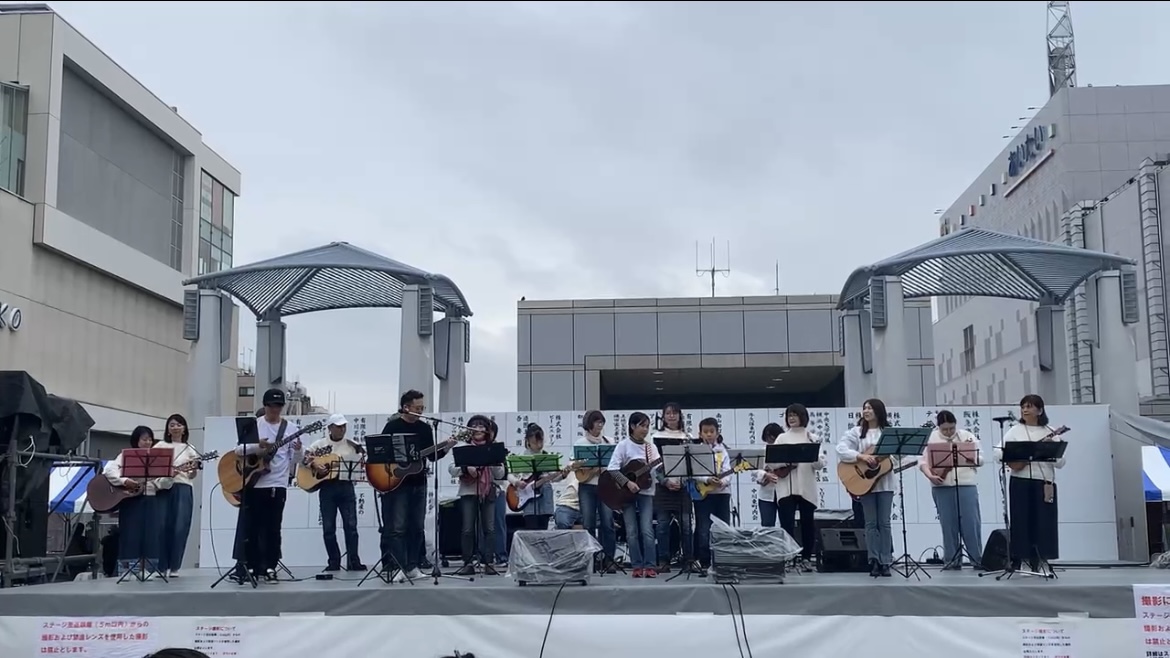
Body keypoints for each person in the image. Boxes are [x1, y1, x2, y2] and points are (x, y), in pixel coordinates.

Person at [231, 388, 302, 584]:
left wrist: (298, 450)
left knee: (273, 528)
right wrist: (258, 446)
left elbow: (296, 460)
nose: (275, 410)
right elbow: (238, 450)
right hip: (254, 483)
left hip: (277, 483)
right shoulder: (255, 425)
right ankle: (252, 567)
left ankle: (270, 567)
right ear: (265, 406)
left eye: (278, 406)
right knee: (252, 528)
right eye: (271, 406)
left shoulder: (290, 428)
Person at [378, 389, 449, 583]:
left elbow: (431, 456)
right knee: (398, 527)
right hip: (397, 483)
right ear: (406, 407)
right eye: (418, 408)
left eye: (422, 408)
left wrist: (446, 447)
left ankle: (412, 566)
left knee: (417, 527)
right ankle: (397, 567)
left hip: (419, 482)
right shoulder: (392, 426)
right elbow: (380, 453)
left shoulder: (425, 428)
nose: (421, 411)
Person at [996, 393, 1065, 571]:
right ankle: (1024, 560)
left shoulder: (1050, 431)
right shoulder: (1015, 430)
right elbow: (998, 452)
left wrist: (1049, 450)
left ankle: (1042, 560)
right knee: (1021, 521)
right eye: (1023, 407)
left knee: (1045, 522)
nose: (1025, 410)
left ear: (1040, 410)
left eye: (1029, 406)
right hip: (1021, 481)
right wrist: (1018, 455)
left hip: (1044, 482)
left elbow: (1060, 462)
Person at [919, 409, 984, 570]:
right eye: (945, 429)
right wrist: (930, 476)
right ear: (938, 427)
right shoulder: (931, 438)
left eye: (951, 428)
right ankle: (951, 559)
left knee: (971, 523)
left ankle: (977, 558)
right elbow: (923, 462)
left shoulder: (966, 436)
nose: (948, 432)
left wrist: (971, 456)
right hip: (942, 486)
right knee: (948, 524)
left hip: (966, 484)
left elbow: (981, 459)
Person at [763, 404, 825, 573]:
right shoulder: (782, 438)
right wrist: (788, 461)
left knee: (807, 523)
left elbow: (820, 464)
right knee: (787, 523)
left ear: (803, 417)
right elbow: (770, 462)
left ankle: (806, 558)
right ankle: (789, 557)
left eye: (795, 415)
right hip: (786, 487)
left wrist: (811, 452)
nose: (791, 418)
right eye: (789, 415)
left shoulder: (811, 437)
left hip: (806, 486)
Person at [836, 398, 894, 578]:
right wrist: (861, 457)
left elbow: (897, 457)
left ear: (878, 411)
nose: (866, 411)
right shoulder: (856, 432)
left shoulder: (888, 432)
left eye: (870, 408)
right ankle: (874, 560)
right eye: (865, 408)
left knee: (884, 523)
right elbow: (840, 449)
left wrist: (889, 458)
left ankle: (886, 560)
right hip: (866, 485)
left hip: (885, 484)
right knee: (870, 523)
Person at [305, 414, 366, 572]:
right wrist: (314, 465)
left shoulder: (352, 445)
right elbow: (305, 458)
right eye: (338, 427)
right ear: (330, 428)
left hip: (346, 487)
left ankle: (353, 561)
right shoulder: (320, 444)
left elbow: (361, 461)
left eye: (344, 426)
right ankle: (333, 561)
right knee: (328, 527)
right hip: (327, 488)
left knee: (351, 526)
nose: (342, 429)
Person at [449, 414, 506, 576]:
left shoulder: (492, 447)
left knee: (490, 528)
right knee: (468, 529)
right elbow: (452, 469)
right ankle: (467, 563)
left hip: (488, 492)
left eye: (481, 426)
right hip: (468, 491)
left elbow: (500, 473)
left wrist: (493, 461)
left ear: (487, 430)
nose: (478, 429)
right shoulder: (464, 447)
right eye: (474, 426)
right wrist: (466, 468)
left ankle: (489, 563)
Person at [102, 426, 162, 579]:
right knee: (130, 532)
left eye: (150, 439)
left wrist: (161, 480)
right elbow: (109, 471)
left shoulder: (157, 458)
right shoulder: (125, 455)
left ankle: (146, 568)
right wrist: (125, 481)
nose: (147, 442)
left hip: (150, 497)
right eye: (144, 439)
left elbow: (164, 480)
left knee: (149, 533)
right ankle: (127, 569)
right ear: (136, 440)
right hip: (130, 499)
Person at [606, 411, 658, 578]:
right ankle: (636, 565)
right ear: (632, 426)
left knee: (647, 529)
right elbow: (612, 469)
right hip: (626, 494)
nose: (645, 430)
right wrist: (628, 482)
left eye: (647, 426)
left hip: (646, 492)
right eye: (642, 426)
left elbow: (658, 467)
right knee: (631, 530)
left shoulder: (651, 447)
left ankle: (650, 565)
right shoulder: (623, 445)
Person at [651, 402, 694, 573]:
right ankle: (663, 560)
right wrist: (665, 481)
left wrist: (683, 481)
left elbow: (692, 463)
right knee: (662, 526)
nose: (671, 416)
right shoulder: (656, 436)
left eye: (674, 413)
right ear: (663, 416)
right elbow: (653, 464)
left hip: (683, 487)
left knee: (686, 525)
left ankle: (688, 560)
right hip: (663, 488)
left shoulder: (687, 436)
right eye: (668, 413)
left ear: (680, 416)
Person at [573, 410, 617, 571]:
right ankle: (590, 560)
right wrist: (590, 468)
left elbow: (615, 463)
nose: (600, 425)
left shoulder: (609, 441)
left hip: (606, 486)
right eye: (597, 422)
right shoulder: (581, 443)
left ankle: (609, 560)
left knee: (608, 523)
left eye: (601, 422)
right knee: (588, 524)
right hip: (587, 486)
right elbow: (575, 465)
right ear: (589, 424)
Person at [156, 413, 198, 578]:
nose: (175, 428)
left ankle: (175, 567)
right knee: (162, 526)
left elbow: (192, 475)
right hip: (163, 487)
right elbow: (153, 468)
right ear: (167, 429)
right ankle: (161, 566)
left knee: (180, 527)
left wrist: (193, 470)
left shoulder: (190, 448)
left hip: (183, 487)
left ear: (184, 428)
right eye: (172, 425)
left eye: (179, 424)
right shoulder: (160, 446)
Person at [692, 417, 732, 575]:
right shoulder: (697, 451)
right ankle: (704, 562)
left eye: (712, 431)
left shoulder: (723, 450)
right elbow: (694, 472)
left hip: (722, 494)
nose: (709, 434)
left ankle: (722, 560)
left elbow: (728, 470)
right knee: (703, 528)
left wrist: (723, 481)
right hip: (703, 494)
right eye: (705, 432)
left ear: (717, 433)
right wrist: (707, 479)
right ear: (700, 434)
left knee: (723, 527)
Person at [508, 423, 555, 530]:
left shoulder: (547, 457)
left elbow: (555, 477)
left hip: (544, 494)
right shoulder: (522, 457)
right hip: (528, 496)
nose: (538, 445)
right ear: (528, 441)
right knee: (531, 526)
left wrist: (563, 475)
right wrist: (517, 482)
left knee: (543, 528)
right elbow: (510, 475)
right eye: (535, 442)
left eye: (541, 441)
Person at [751, 422, 784, 527]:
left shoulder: (785, 450)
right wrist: (765, 474)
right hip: (766, 494)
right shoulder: (762, 451)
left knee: (786, 524)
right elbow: (754, 470)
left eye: (772, 436)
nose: (770, 439)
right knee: (767, 525)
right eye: (767, 436)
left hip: (784, 492)